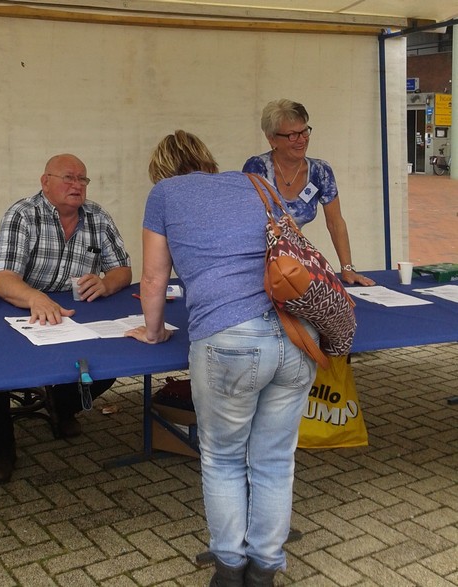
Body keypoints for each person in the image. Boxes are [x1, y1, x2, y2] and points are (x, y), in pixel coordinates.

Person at [126, 130, 318, 587]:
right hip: (296, 333)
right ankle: (265, 568)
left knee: (224, 458)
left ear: (161, 168)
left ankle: (230, 566)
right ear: (206, 159)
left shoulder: (165, 194)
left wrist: (153, 332)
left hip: (230, 338)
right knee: (274, 459)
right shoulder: (255, 182)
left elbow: (153, 280)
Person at [0, 153, 132, 484]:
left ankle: (62, 407)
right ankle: (1, 449)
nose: (77, 185)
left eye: (82, 179)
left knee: (110, 360)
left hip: (70, 313)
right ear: (45, 182)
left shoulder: (98, 217)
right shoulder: (22, 215)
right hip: (15, 307)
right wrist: (35, 297)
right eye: (68, 178)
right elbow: (4, 280)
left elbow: (123, 269)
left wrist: (105, 283)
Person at [243, 99, 374, 286]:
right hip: (257, 267)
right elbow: (245, 222)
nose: (302, 139)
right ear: (272, 138)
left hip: (294, 267)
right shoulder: (256, 168)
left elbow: (335, 222)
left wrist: (347, 269)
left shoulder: (320, 171)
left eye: (304, 131)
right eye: (292, 135)